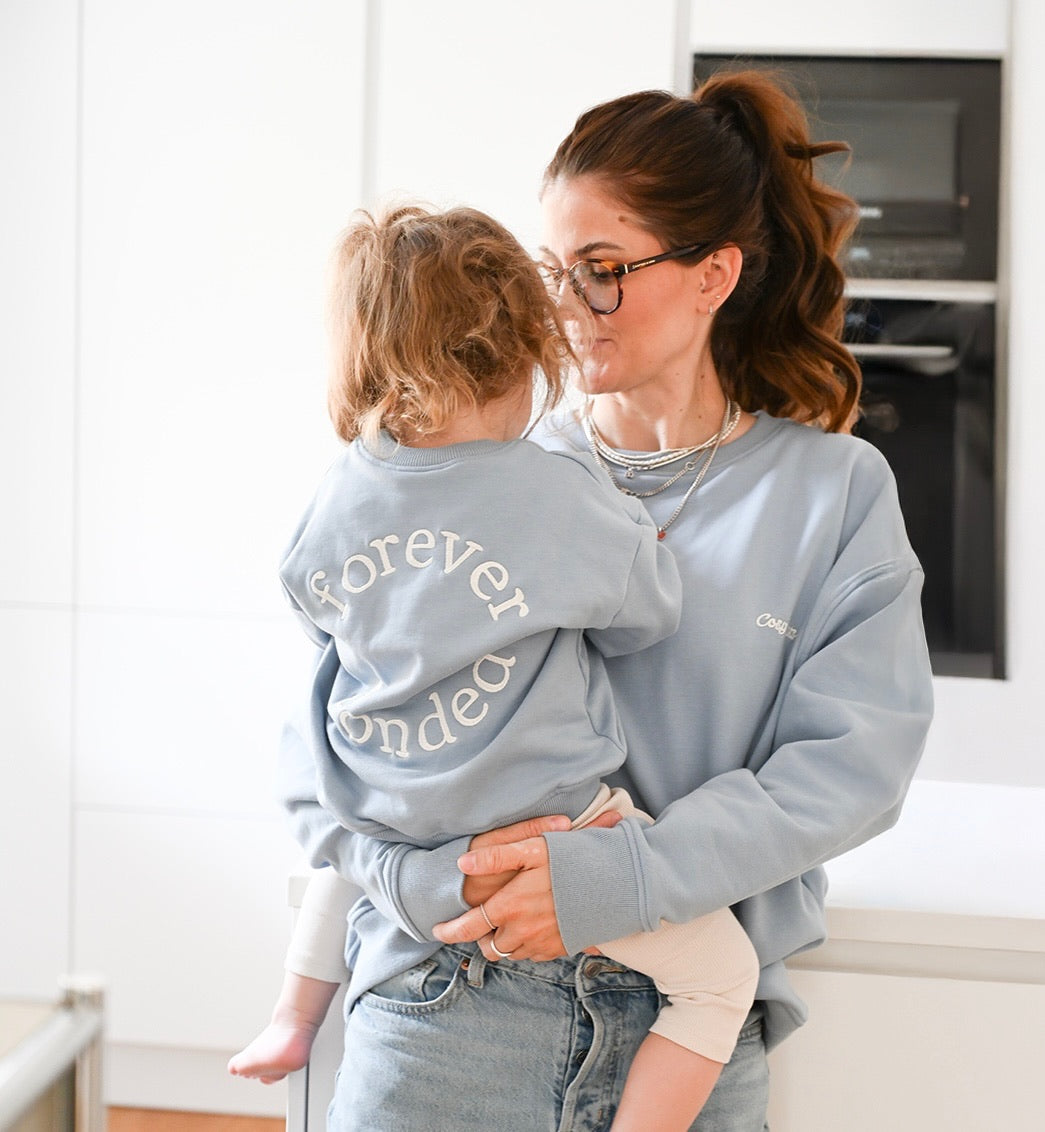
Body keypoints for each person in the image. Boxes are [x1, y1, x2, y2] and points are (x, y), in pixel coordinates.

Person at [278, 68, 934, 1131]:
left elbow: (849, 769)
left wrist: (612, 879)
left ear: (714, 273)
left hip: (687, 1024)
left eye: (601, 271)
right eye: (552, 270)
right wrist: (403, 878)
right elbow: (324, 743)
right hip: (452, 998)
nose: (562, 309)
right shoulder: (480, 467)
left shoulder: (832, 494)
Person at [231, 201, 762, 1131]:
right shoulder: (552, 484)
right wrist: (614, 507)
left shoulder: (341, 490)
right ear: (524, 351)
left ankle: (290, 1017)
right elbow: (649, 613)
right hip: (548, 836)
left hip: (400, 827)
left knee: (344, 858)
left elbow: (315, 614)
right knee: (722, 980)